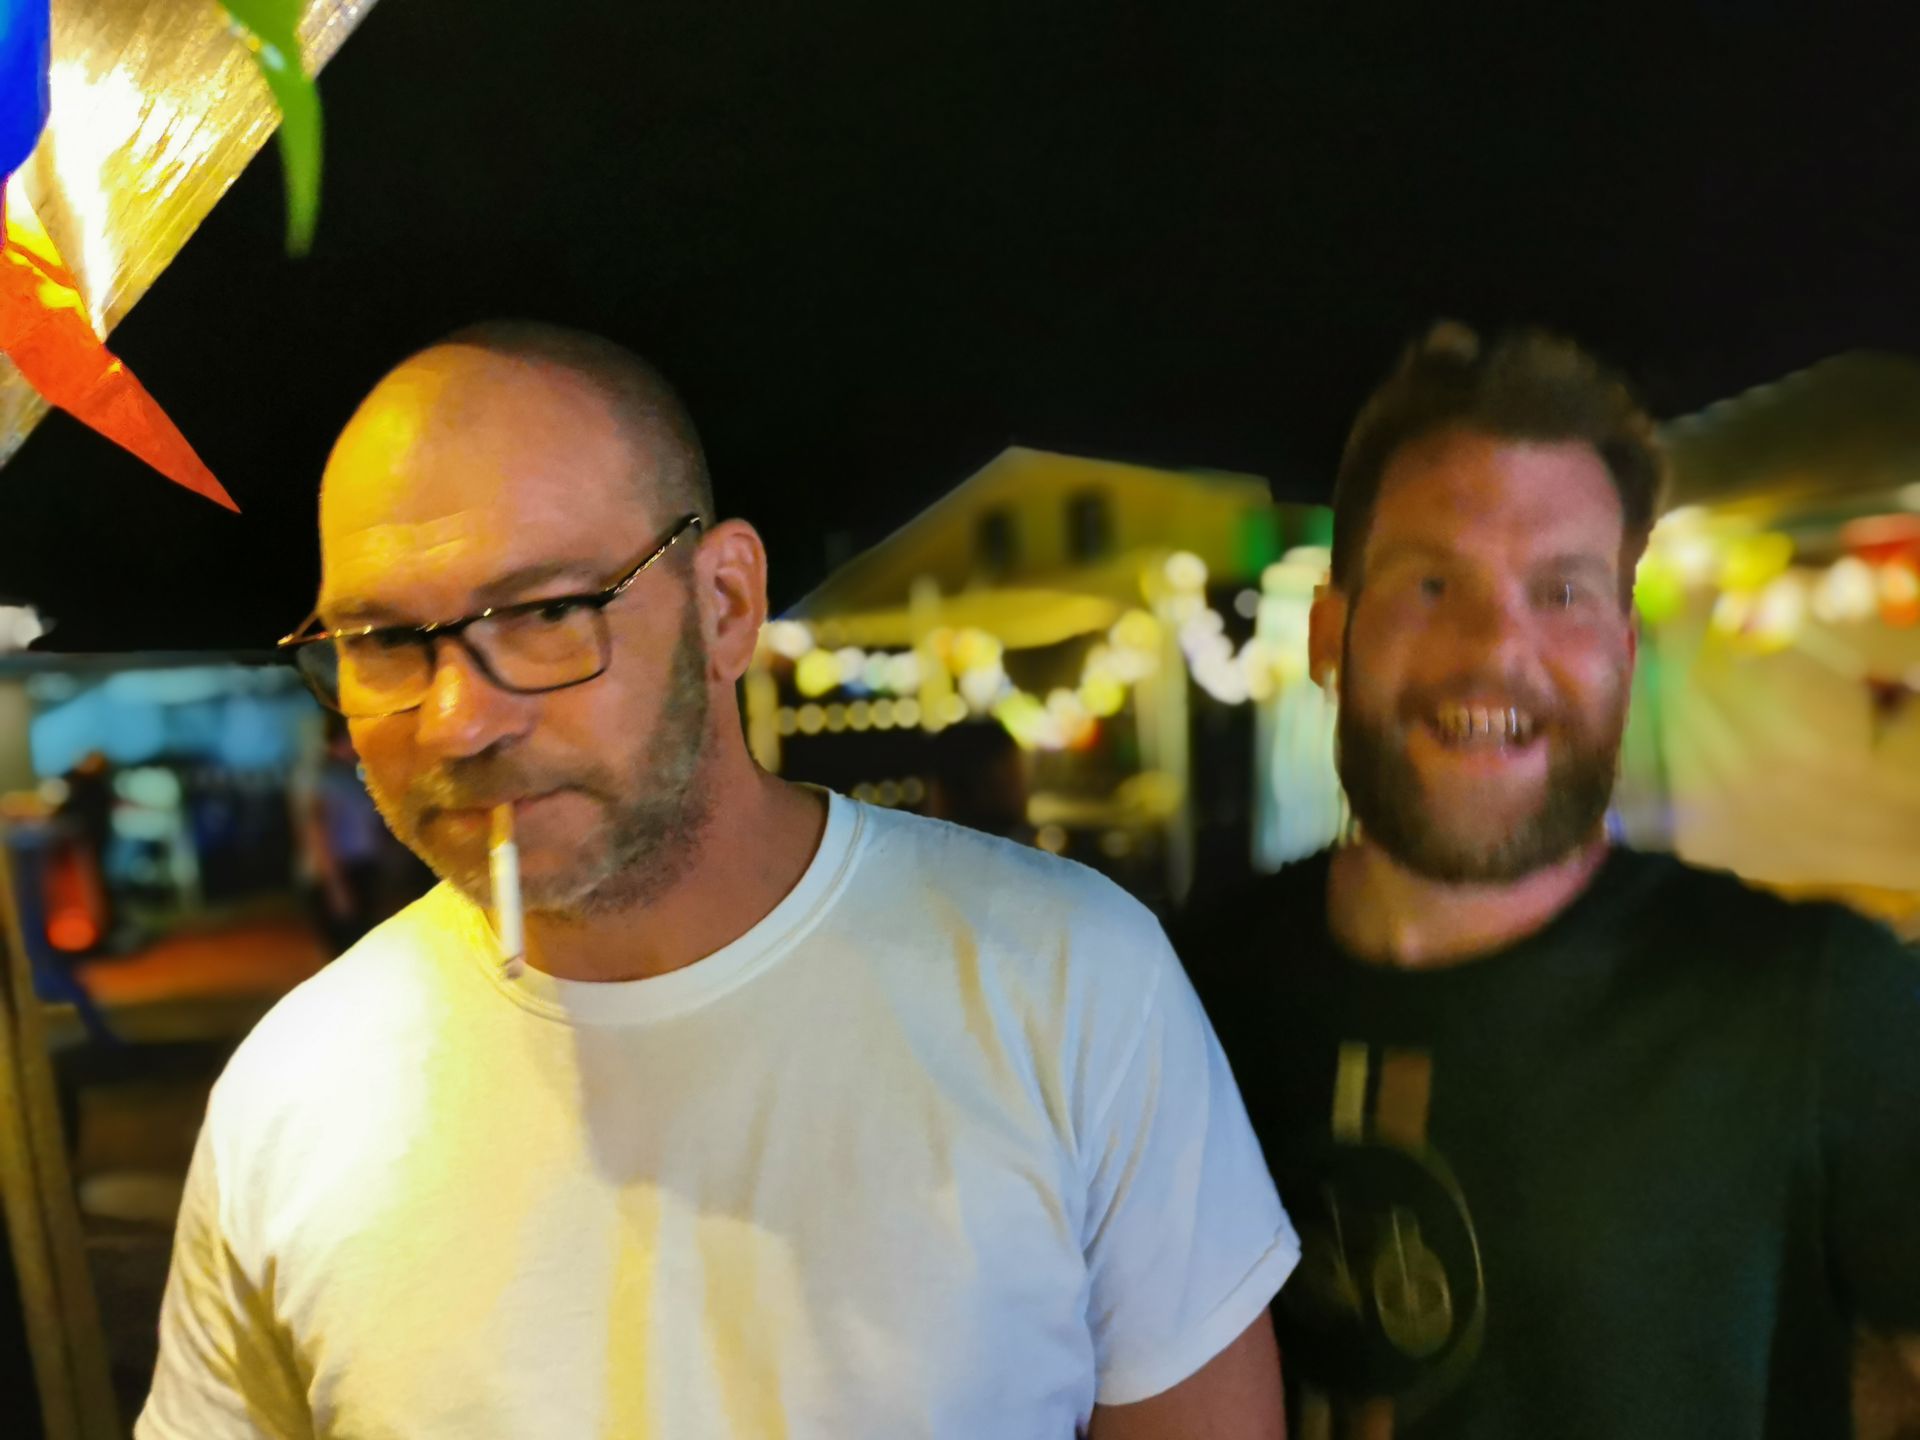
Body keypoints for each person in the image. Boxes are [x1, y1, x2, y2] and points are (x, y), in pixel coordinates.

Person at [138, 322, 1296, 1439]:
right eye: (385, 640)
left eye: (546, 613)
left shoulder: (1064, 981)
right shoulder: (291, 1099)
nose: (457, 720)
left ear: (725, 603)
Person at [1178, 325, 1920, 1438]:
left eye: (1563, 592)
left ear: (1624, 647)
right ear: (1332, 635)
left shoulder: (1820, 1003)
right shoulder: (1179, 1003)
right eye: (1433, 583)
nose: (1496, 650)